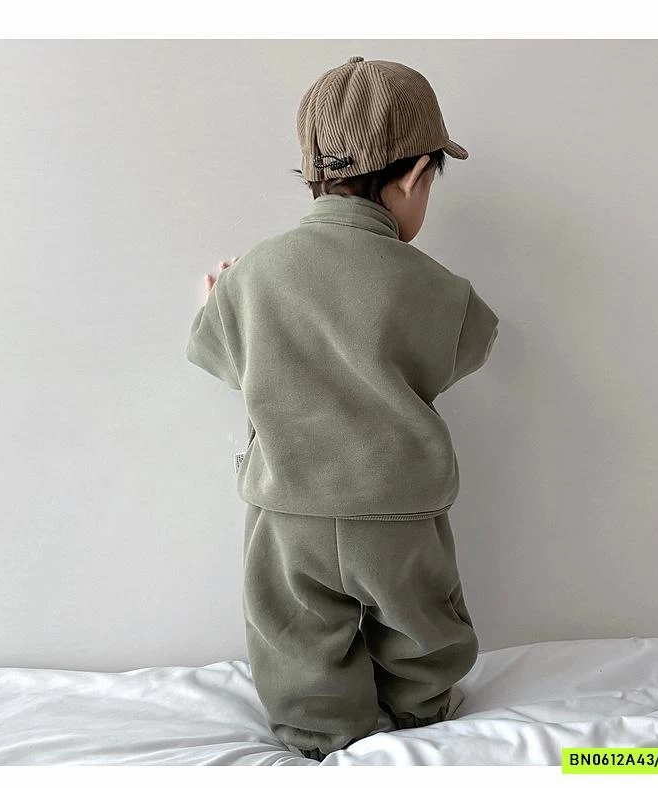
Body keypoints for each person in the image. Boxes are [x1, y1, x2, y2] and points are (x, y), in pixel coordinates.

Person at [186, 56, 499, 762]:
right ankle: (423, 714)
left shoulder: (254, 275)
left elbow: (223, 358)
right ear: (414, 177)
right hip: (402, 511)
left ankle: (317, 733)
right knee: (422, 625)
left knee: (294, 634)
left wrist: (220, 304)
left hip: (288, 510)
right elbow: (472, 345)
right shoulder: (439, 288)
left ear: (312, 173)